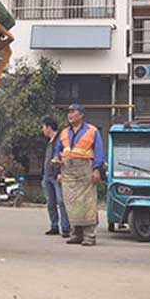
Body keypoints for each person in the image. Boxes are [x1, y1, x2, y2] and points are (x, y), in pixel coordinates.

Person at [53, 104, 105, 246]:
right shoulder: (64, 132)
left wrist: (96, 170)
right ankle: (76, 234)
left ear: (81, 115)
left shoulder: (92, 131)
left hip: (85, 170)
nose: (70, 115)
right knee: (71, 203)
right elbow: (58, 151)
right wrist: (57, 168)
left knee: (87, 203)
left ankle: (89, 236)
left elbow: (99, 152)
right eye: (68, 112)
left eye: (73, 112)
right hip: (68, 172)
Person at [41, 118, 70, 238]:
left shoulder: (60, 141)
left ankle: (66, 227)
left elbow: (63, 157)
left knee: (61, 202)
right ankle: (54, 226)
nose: (42, 130)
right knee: (50, 202)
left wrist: (60, 172)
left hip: (56, 176)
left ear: (48, 127)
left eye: (43, 127)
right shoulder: (49, 141)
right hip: (47, 175)